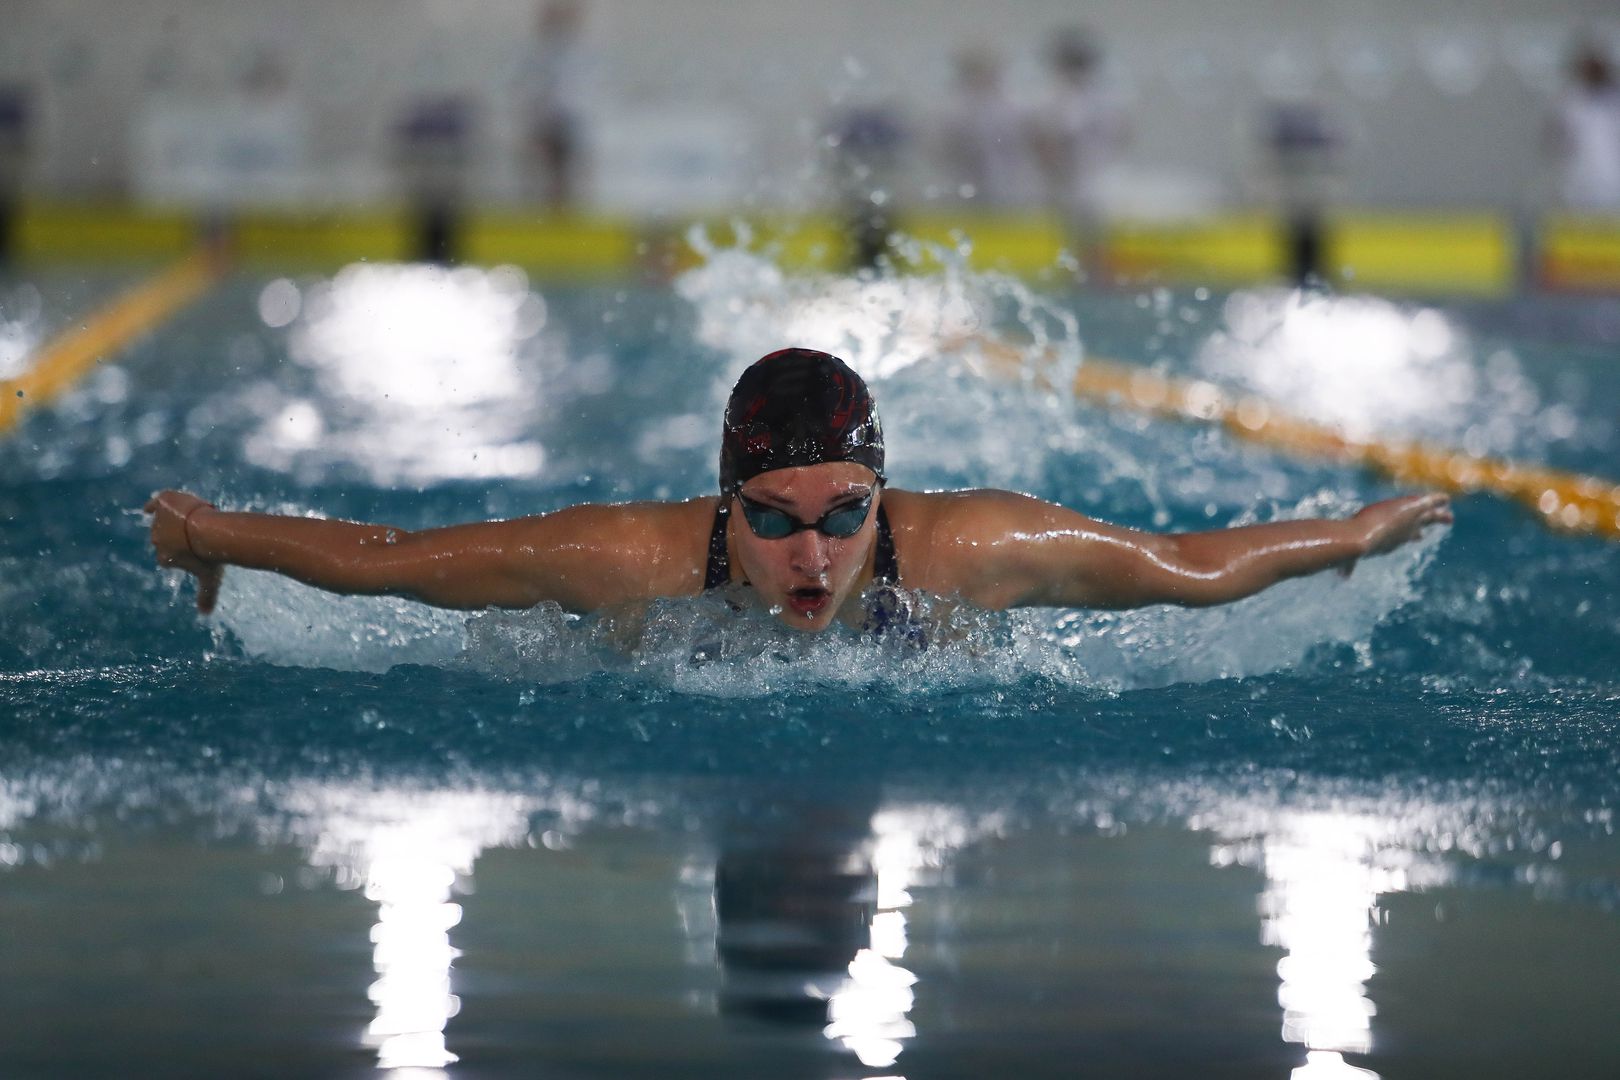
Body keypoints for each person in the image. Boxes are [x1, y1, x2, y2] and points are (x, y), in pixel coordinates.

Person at [146, 348, 1451, 636]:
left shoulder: (969, 549)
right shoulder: (627, 562)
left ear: (886, 504)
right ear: (725, 511)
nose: (812, 553)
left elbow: (1191, 562)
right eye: (771, 520)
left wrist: (1351, 531)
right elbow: (392, 555)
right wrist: (204, 532)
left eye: (845, 516)